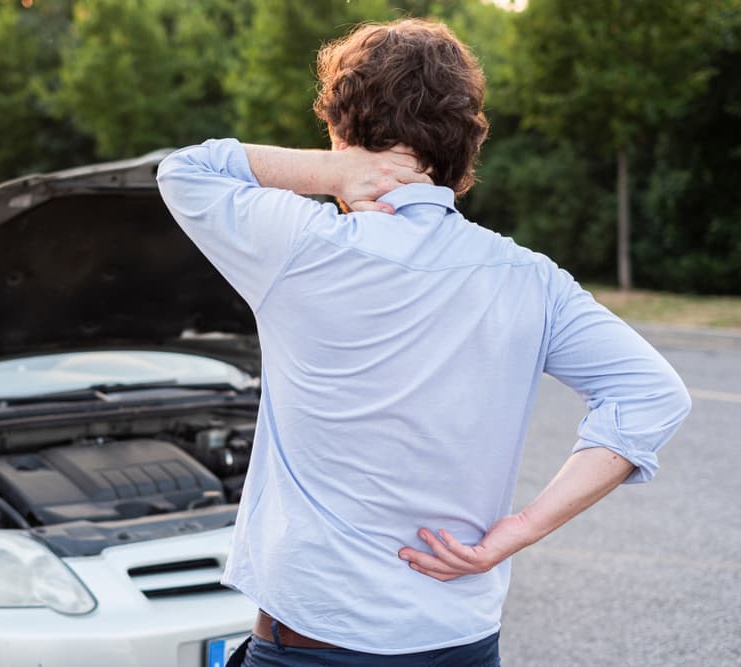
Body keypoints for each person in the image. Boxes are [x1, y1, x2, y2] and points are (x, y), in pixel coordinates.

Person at [157, 17, 691, 667]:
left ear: (341, 133)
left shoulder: (300, 247)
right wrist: (517, 532)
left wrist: (334, 172)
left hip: (314, 646)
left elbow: (186, 172)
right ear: (466, 145)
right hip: (459, 640)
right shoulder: (530, 280)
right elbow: (653, 393)